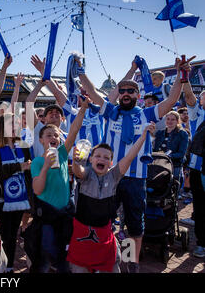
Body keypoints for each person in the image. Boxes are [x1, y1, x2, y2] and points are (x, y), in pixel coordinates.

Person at [78, 55, 189, 272]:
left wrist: (180, 76)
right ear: (119, 95)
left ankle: (132, 263)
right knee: (104, 221)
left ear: (138, 95)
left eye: (131, 91)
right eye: (123, 91)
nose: (126, 94)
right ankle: (107, 258)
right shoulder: (110, 112)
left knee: (134, 226)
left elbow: (171, 101)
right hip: (110, 176)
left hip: (136, 178)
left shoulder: (147, 113)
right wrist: (80, 71)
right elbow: (92, 92)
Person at [68, 123, 155, 273]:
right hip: (81, 233)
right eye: (98, 156)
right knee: (79, 269)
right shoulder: (86, 174)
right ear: (91, 159)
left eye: (106, 157)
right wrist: (75, 162)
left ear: (111, 163)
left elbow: (130, 156)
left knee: (113, 265)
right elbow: (78, 171)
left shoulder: (114, 175)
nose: (102, 159)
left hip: (104, 234)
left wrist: (143, 136)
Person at [30, 96, 90, 273]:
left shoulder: (63, 153)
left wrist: (83, 109)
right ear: (41, 140)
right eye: (48, 135)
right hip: (47, 216)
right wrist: (45, 168)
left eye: (56, 134)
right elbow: (37, 189)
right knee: (46, 256)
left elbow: (73, 130)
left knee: (64, 255)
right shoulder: (37, 162)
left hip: (65, 215)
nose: (53, 137)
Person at [0, 113, 33, 273]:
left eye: (17, 124)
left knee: (13, 234)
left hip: (20, 198)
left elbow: (29, 170)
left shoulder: (23, 145)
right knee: (3, 235)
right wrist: (19, 167)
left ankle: (8, 267)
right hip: (2, 198)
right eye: (11, 124)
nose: (16, 127)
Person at [182, 82, 205, 258]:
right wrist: (184, 78)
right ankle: (202, 243)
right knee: (201, 206)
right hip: (199, 168)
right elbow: (189, 98)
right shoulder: (198, 114)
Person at [153, 111, 189, 186]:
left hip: (175, 165)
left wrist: (167, 156)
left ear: (177, 121)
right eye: (168, 119)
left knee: (173, 188)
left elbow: (182, 153)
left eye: (173, 119)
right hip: (159, 165)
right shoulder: (159, 133)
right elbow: (155, 150)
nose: (170, 121)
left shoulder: (183, 134)